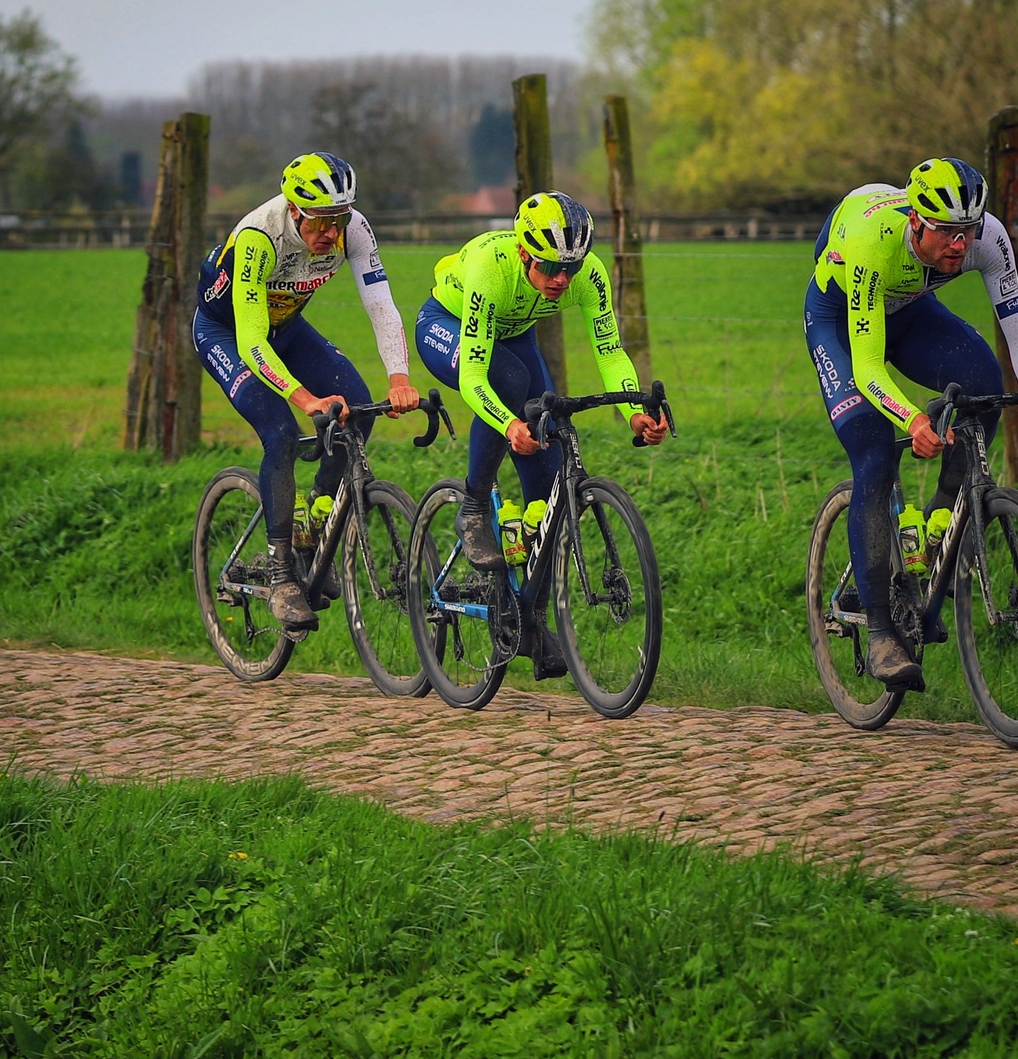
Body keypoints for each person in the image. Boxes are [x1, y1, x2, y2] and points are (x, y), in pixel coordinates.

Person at [805, 157, 1018, 690]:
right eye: (947, 234)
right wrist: (911, 418)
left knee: (983, 384)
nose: (961, 245)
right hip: (840, 321)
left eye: (968, 232)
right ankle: (884, 633)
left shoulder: (988, 236)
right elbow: (866, 367)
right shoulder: (874, 239)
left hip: (909, 313)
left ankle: (936, 533)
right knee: (874, 449)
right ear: (915, 223)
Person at [415, 191, 668, 679]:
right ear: (526, 253)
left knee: (549, 474)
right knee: (508, 384)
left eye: (568, 270)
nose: (560, 280)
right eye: (550, 267)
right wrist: (509, 425)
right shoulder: (495, 267)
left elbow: (610, 349)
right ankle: (472, 505)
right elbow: (473, 377)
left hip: (514, 334)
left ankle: (527, 618)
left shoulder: (584, 273)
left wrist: (634, 410)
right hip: (447, 325)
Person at [193, 151, 418, 635]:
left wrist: (399, 377)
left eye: (338, 220)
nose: (331, 234)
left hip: (288, 327)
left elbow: (381, 304)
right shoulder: (259, 237)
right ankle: (280, 574)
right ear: (294, 210)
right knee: (281, 433)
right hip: (228, 334)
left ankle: (311, 527)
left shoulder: (354, 229)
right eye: (320, 222)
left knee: (356, 413)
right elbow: (252, 342)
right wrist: (305, 399)